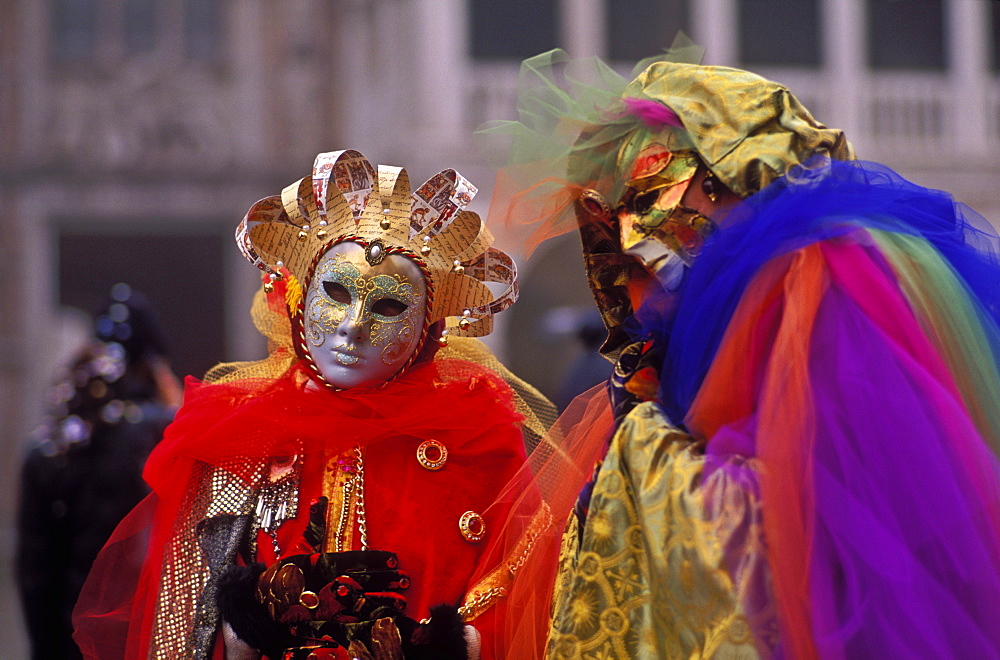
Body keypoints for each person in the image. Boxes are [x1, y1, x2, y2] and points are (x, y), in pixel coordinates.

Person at [488, 48, 1000, 658]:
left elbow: (843, 521)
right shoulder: (673, 329)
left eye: (656, 189)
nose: (632, 234)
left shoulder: (823, 285)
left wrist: (647, 458)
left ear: (732, 176)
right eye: (618, 208)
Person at [72, 150, 557, 659]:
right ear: (300, 301)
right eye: (336, 293)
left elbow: (529, 599)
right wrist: (237, 632)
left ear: (428, 331)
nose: (354, 325)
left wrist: (460, 645)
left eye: (389, 305)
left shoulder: (477, 443)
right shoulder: (236, 434)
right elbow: (177, 622)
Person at [16, 285, 182, 660]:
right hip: (140, 643)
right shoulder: (161, 435)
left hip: (67, 642)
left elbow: (35, 576)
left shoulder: (50, 446)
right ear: (153, 366)